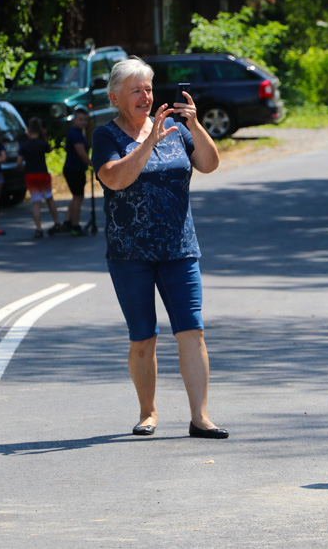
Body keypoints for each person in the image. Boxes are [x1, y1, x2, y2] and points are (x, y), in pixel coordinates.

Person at [91, 57, 227, 439]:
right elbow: (116, 179)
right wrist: (148, 143)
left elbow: (210, 164)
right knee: (142, 337)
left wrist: (195, 125)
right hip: (130, 253)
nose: (145, 96)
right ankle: (148, 412)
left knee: (192, 332)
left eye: (148, 89)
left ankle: (200, 418)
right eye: (136, 90)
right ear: (115, 97)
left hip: (179, 249)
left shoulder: (173, 130)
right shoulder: (106, 136)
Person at [17, 117, 61, 239]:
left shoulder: (24, 145)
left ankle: (38, 228)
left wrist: (22, 168)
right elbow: (49, 149)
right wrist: (45, 136)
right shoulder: (42, 143)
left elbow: (19, 162)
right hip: (42, 173)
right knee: (49, 198)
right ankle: (57, 222)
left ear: (28, 129)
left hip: (30, 174)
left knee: (36, 201)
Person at [62, 107, 92, 236]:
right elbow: (81, 153)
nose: (83, 122)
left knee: (77, 196)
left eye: (85, 120)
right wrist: (93, 164)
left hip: (74, 168)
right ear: (74, 120)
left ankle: (68, 221)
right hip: (74, 169)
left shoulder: (78, 132)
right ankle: (75, 226)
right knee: (78, 197)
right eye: (80, 119)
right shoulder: (76, 134)